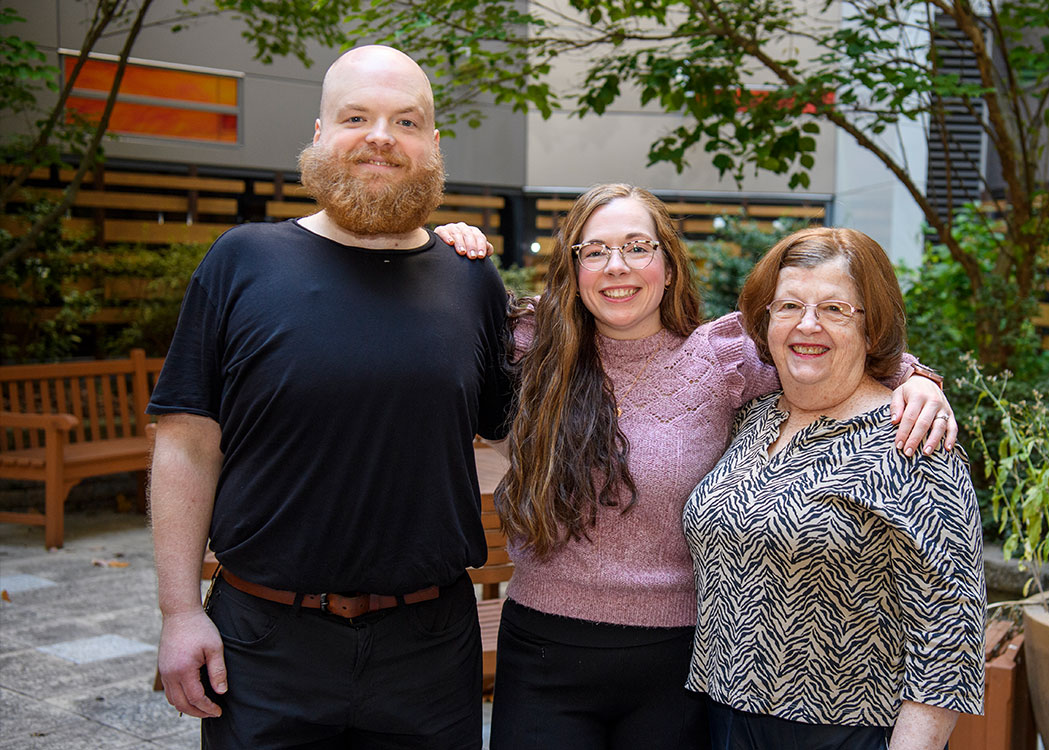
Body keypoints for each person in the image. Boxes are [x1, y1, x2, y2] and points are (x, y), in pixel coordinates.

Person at [434, 184, 957, 750]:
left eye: (638, 246)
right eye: (596, 251)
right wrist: (445, 247)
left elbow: (822, 348)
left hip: (676, 668)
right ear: (572, 265)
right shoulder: (532, 346)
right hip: (541, 654)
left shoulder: (723, 357)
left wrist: (919, 382)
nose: (618, 267)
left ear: (667, 261)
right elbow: (429, 334)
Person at [148, 45, 512, 749]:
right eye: (356, 116)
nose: (381, 136)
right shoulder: (241, 261)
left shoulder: (472, 281)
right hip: (263, 641)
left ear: (431, 146)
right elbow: (186, 448)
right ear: (319, 133)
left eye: (405, 121)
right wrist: (178, 612)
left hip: (430, 650)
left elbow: (510, 437)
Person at [682, 227, 985, 750]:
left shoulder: (912, 439)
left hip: (843, 733)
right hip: (717, 718)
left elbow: (948, 634)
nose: (807, 325)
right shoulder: (752, 418)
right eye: (789, 306)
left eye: (835, 309)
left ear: (873, 328)